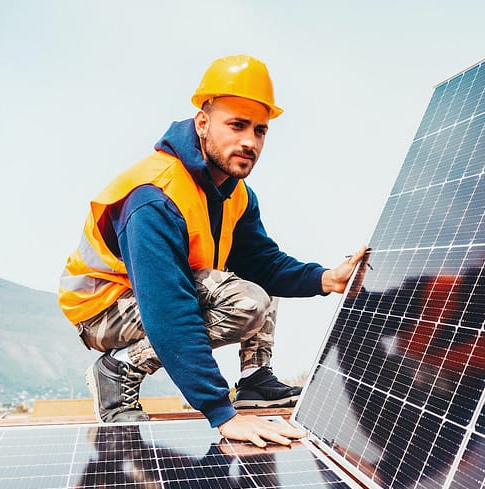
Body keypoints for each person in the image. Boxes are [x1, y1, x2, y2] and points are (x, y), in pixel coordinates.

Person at [59, 54, 365, 446]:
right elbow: (169, 308)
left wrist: (324, 278)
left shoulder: (235, 194)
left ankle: (255, 380)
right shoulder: (154, 197)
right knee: (246, 300)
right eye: (236, 125)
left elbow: (262, 263)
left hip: (158, 295)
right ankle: (118, 369)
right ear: (202, 123)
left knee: (253, 283)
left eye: (260, 130)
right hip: (102, 308)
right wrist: (221, 413)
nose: (249, 142)